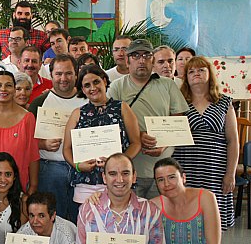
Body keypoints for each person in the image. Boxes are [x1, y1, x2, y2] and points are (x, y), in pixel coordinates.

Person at [107, 39, 189, 199]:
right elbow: (109, 123)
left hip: (163, 168)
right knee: (132, 219)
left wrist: (164, 143)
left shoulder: (168, 85)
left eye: (146, 55)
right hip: (130, 169)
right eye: (136, 56)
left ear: (152, 60)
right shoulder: (116, 87)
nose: (141, 60)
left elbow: (178, 121)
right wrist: (138, 137)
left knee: (161, 218)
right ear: (127, 60)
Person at [63, 64, 141, 208]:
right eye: (87, 85)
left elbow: (136, 143)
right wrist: (78, 166)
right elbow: (67, 148)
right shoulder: (77, 113)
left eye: (96, 82)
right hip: (85, 185)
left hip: (118, 182)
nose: (92, 88)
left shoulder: (122, 108)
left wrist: (118, 164)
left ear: (104, 81)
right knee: (86, 227)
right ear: (82, 89)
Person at [173, 56, 238, 229]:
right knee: (187, 213)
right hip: (186, 168)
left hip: (214, 170)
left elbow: (233, 141)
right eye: (191, 71)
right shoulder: (179, 102)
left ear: (210, 73)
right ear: (185, 76)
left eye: (201, 70)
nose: (196, 74)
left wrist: (230, 173)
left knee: (214, 216)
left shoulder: (224, 102)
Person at [28, 54, 85, 223]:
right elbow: (25, 139)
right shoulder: (39, 102)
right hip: (50, 168)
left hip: (81, 170)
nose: (63, 79)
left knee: (80, 219)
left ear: (76, 74)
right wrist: (42, 144)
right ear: (51, 75)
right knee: (52, 219)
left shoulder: (87, 100)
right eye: (58, 74)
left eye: (68, 73)